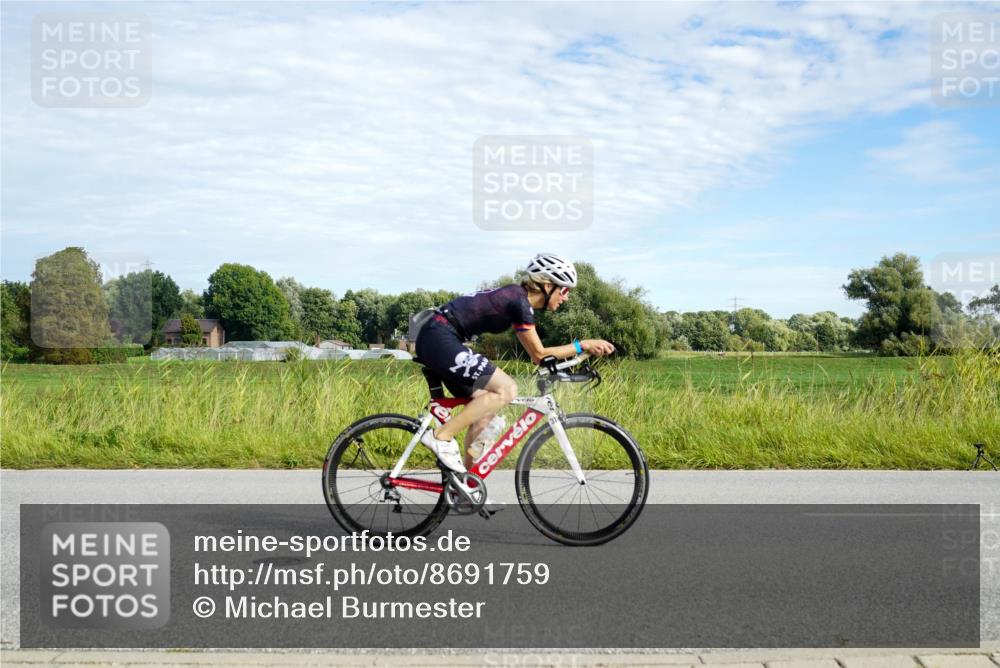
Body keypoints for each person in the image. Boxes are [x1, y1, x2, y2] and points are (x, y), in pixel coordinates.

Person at [414, 253, 616, 474]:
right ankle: (440, 437)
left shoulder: (517, 301)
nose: (566, 297)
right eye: (565, 290)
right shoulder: (518, 301)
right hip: (439, 337)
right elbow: (539, 354)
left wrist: (576, 353)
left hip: (440, 338)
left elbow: (536, 355)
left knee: (485, 410)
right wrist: (583, 345)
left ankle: (467, 485)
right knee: (507, 388)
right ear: (548, 285)